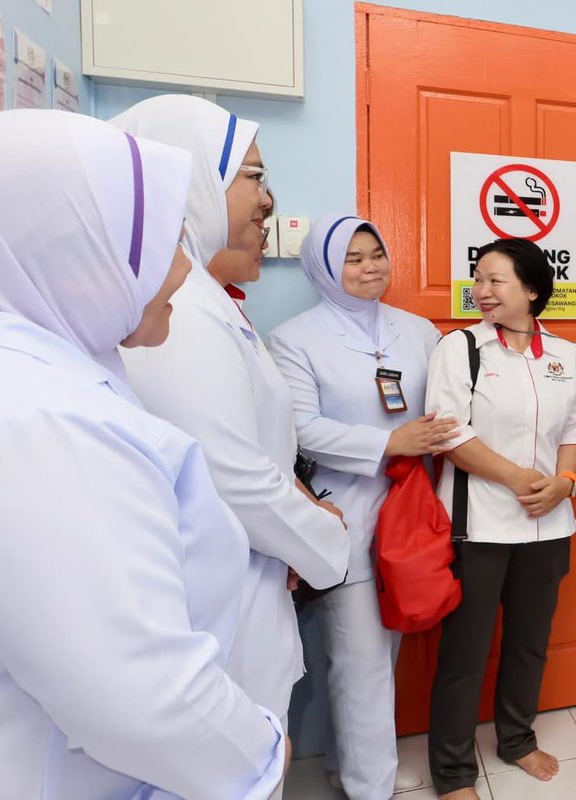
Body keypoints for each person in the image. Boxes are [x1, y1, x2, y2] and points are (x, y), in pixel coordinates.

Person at [0, 110, 290, 798]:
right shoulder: (32, 420)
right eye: (164, 244)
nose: (185, 270)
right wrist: (263, 754)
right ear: (73, 251)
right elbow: (145, 700)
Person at [111, 94, 350, 763]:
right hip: (214, 613)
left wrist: (291, 539)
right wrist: (322, 541)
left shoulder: (199, 297)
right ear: (186, 175)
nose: (267, 198)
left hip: (243, 588)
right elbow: (231, 477)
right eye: (252, 175)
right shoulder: (178, 309)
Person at [269, 215, 454, 800]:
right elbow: (298, 428)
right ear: (323, 266)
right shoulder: (294, 338)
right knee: (359, 658)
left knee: (386, 652)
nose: (370, 266)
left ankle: (357, 766)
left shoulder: (419, 330)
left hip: (411, 512)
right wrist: (388, 442)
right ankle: (368, 785)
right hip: (343, 514)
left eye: (376, 253)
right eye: (353, 257)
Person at [425, 237, 576, 800]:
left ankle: (516, 740)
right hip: (480, 527)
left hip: (549, 526)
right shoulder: (460, 348)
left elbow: (574, 432)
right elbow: (450, 435)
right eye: (479, 278)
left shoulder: (566, 356)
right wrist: (519, 479)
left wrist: (564, 484)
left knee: (529, 643)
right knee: (464, 653)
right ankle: (452, 773)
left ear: (532, 290)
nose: (482, 290)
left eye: (496, 280)